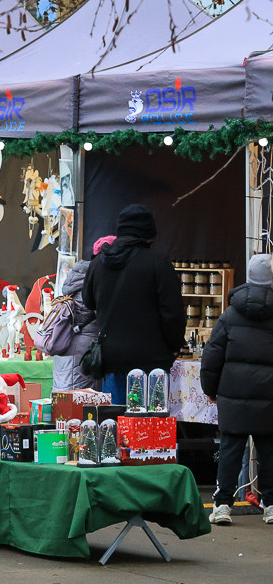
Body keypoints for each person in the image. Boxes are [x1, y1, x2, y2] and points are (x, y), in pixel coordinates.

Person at [82, 204, 185, 404]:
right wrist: (174, 344)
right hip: (151, 361)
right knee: (150, 427)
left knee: (118, 424)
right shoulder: (158, 263)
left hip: (111, 358)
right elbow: (172, 312)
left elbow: (88, 301)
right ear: (149, 233)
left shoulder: (98, 264)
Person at [201, 253, 273, 526]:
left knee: (230, 451)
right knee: (269, 452)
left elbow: (211, 358)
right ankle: (271, 505)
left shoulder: (230, 315)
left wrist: (210, 389)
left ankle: (221, 506)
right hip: (269, 397)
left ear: (249, 277)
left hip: (233, 396)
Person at [51, 257, 100, 391]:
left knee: (62, 394)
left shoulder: (69, 290)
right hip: (84, 347)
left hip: (65, 342)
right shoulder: (90, 291)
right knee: (80, 397)